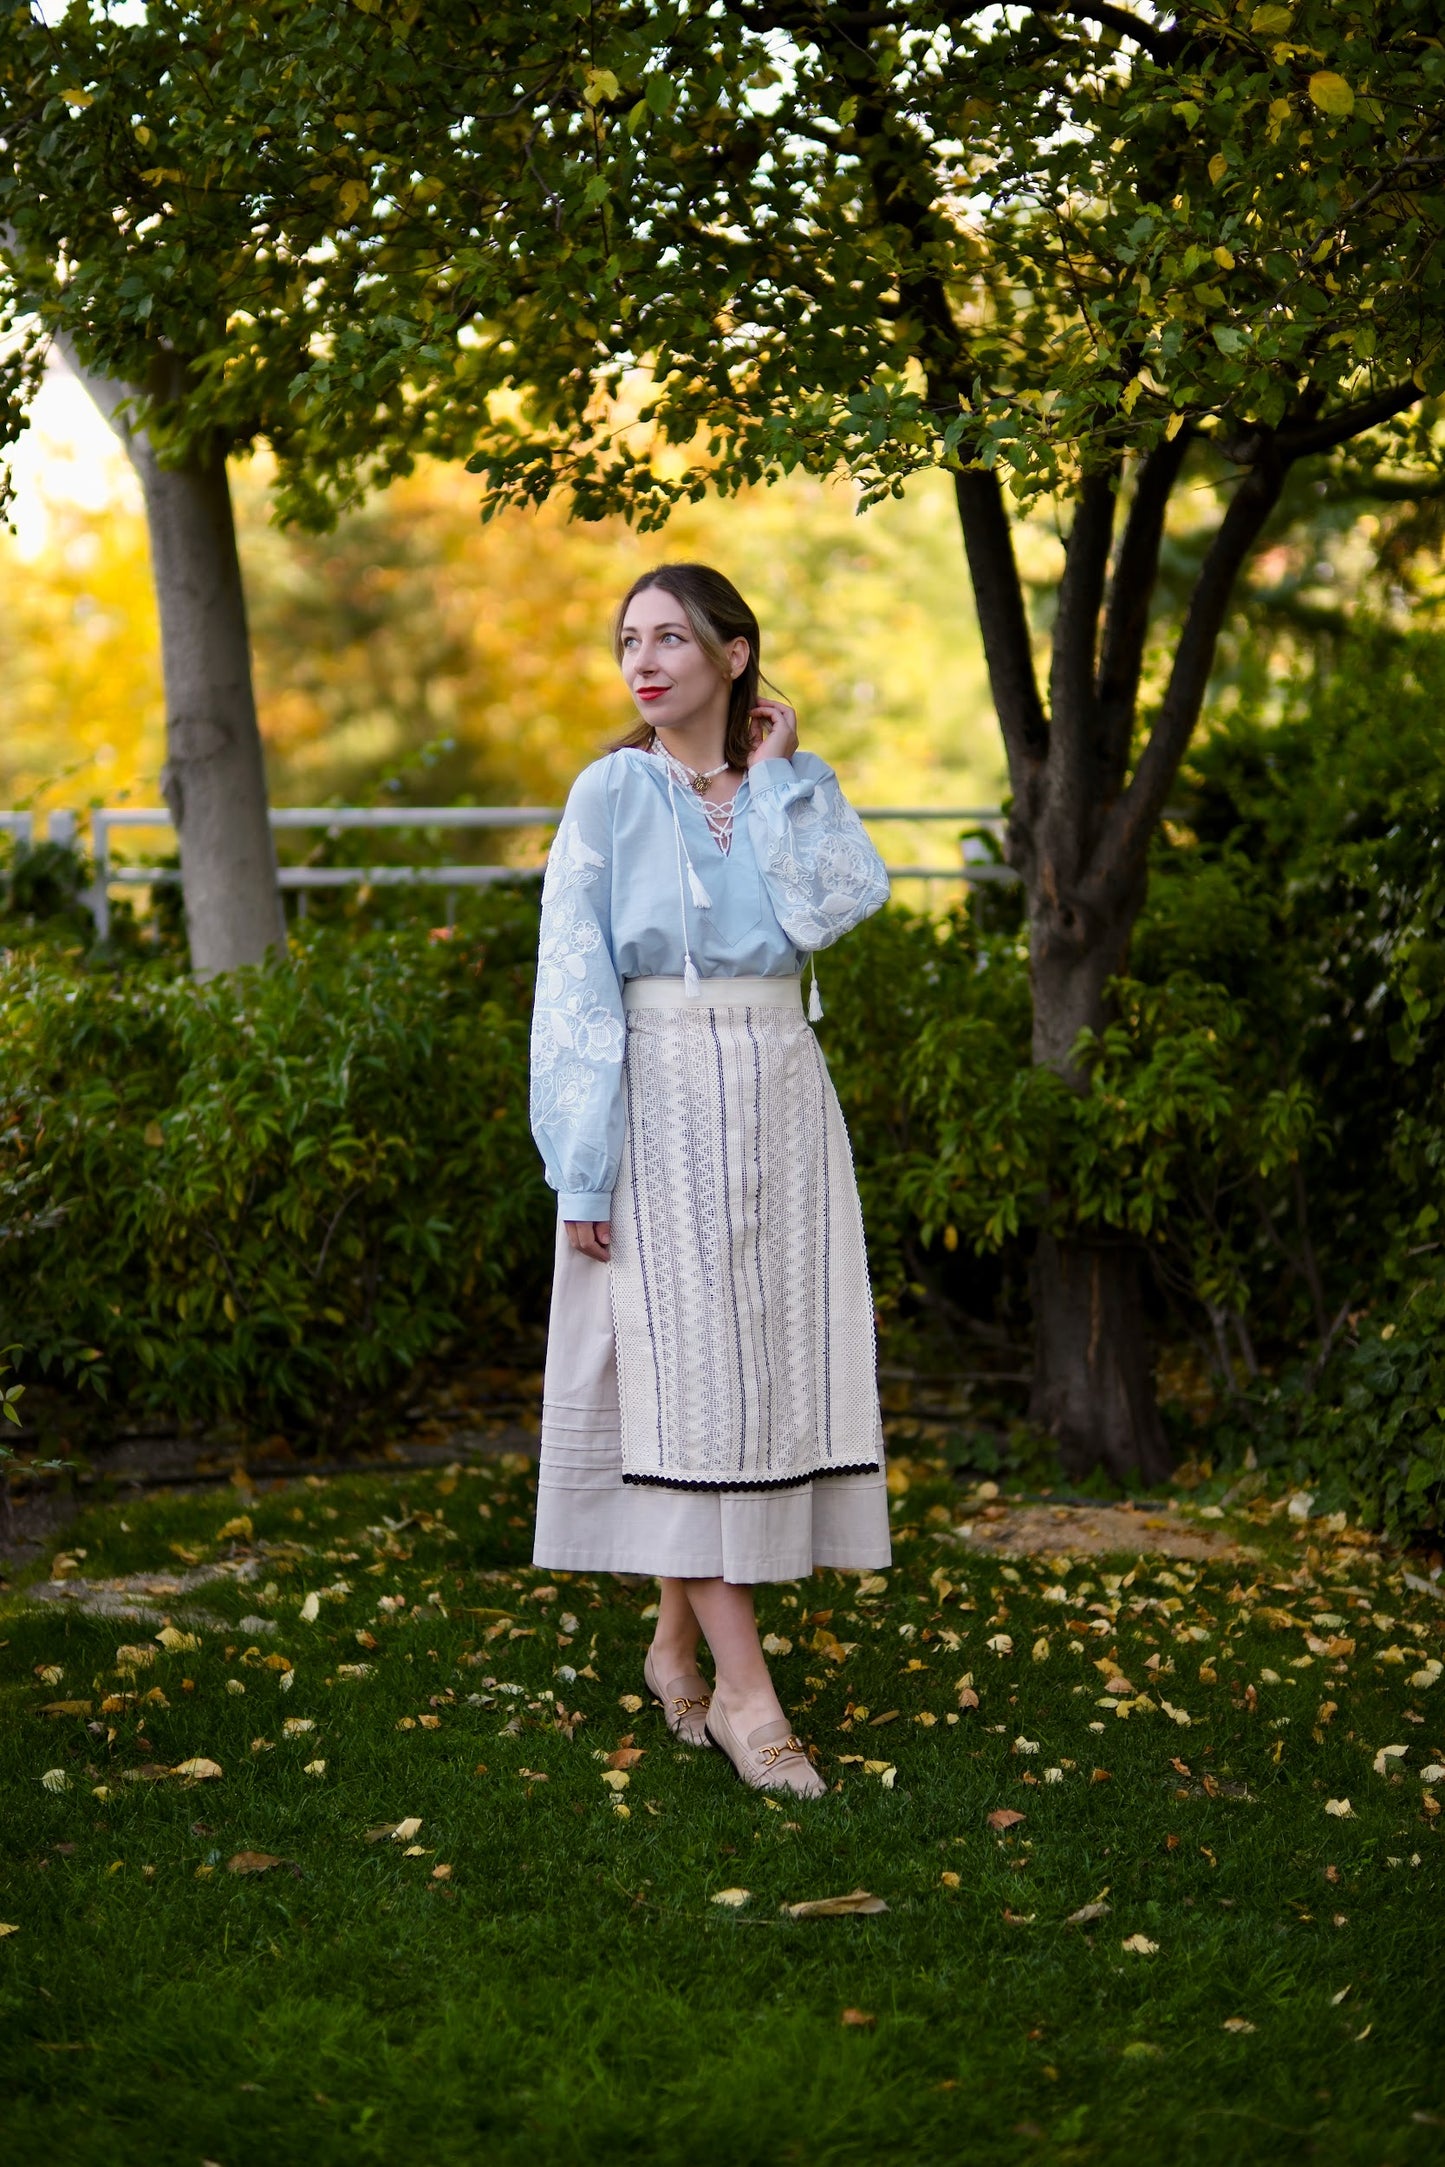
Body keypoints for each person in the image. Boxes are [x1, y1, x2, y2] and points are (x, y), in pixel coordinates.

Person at [528, 562, 891, 1798]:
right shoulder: (607, 793)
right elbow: (572, 984)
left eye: (670, 637)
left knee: (751, 1385)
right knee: (685, 1391)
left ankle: (672, 1645)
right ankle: (748, 1698)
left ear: (732, 655)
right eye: (628, 639)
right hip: (659, 1099)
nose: (643, 660)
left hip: (782, 1092)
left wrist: (778, 775)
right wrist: (583, 1167)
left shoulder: (792, 785)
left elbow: (833, 907)